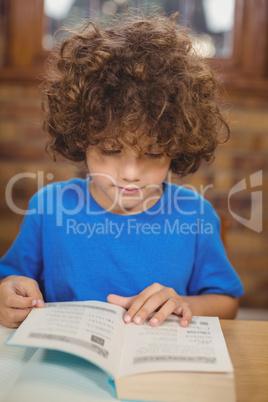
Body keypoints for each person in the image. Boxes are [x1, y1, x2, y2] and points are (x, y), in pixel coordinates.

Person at [0, 12, 243, 329]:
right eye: (111, 150)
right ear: (80, 138)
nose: (130, 173)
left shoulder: (195, 215)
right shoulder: (48, 208)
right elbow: (11, 281)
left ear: (177, 146)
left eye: (154, 153)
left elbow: (228, 304)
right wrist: (8, 294)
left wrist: (186, 303)